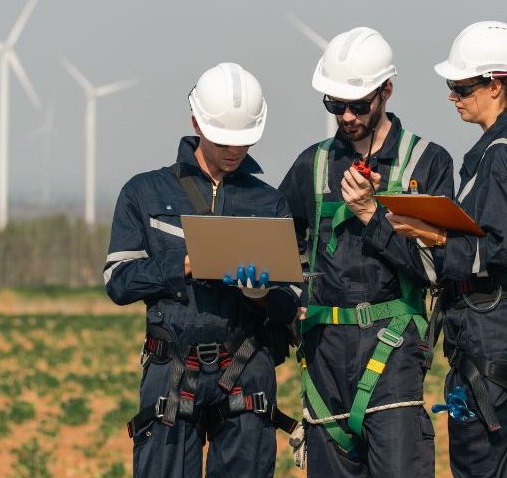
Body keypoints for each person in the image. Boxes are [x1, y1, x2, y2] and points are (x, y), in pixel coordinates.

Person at [387, 20, 507, 478]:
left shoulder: (500, 155)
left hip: (487, 344)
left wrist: (430, 235)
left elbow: (506, 245)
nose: (453, 96)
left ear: (495, 85)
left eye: (461, 86)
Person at [104, 62, 299, 478]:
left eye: (244, 141)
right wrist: (185, 264)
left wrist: (260, 296)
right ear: (196, 121)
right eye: (223, 140)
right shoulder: (144, 192)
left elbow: (292, 302)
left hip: (247, 372)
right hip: (172, 371)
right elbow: (117, 281)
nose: (234, 151)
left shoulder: (269, 203)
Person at [279, 27, 455, 476]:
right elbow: (279, 247)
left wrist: (371, 214)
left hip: (392, 350)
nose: (348, 116)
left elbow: (435, 268)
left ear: (388, 91)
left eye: (359, 105)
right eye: (336, 105)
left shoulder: (427, 164)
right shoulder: (312, 165)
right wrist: (283, 300)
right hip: (324, 357)